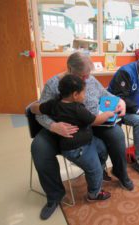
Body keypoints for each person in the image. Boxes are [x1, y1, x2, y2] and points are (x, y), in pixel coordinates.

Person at [31, 52, 133, 220]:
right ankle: (54, 195)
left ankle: (120, 173)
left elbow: (105, 94)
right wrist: (53, 126)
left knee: (116, 134)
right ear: (70, 69)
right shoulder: (53, 84)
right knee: (38, 147)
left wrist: (119, 101)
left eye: (89, 74)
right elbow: (39, 111)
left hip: (91, 123)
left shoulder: (89, 79)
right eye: (83, 76)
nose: (87, 79)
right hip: (64, 128)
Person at [31, 74, 113, 204]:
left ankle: (97, 171)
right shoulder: (77, 109)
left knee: (102, 149)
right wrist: (108, 114)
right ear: (75, 95)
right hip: (79, 148)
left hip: (87, 142)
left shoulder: (54, 104)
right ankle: (94, 194)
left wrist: (34, 107)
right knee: (95, 169)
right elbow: (95, 120)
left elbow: (35, 108)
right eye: (83, 93)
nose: (85, 96)